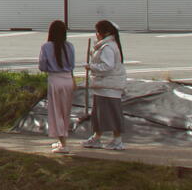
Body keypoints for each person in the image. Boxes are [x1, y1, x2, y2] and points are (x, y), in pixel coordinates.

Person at [83, 19, 127, 151]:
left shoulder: (108, 47)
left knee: (112, 113)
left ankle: (117, 140)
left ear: (103, 33)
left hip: (109, 86)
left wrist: (91, 67)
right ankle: (97, 137)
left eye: (97, 31)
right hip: (103, 86)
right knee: (98, 114)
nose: (96, 34)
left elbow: (108, 66)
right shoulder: (108, 45)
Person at [39, 19, 76, 153]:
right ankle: (62, 139)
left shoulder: (46, 47)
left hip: (55, 79)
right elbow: (72, 65)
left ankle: (63, 143)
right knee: (65, 112)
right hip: (68, 79)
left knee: (56, 112)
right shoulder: (70, 46)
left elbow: (42, 66)